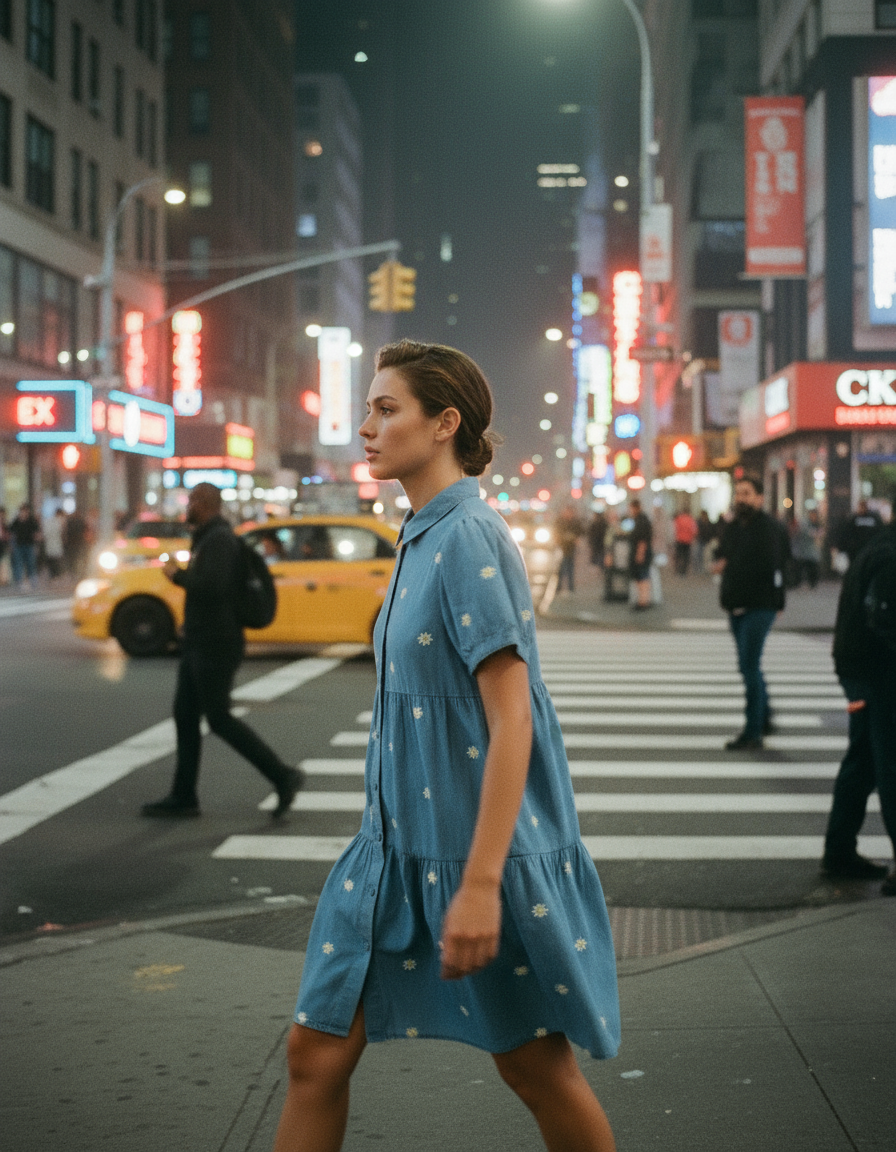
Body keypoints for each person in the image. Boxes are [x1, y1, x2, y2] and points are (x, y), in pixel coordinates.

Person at [273, 341, 619, 1152]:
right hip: (390, 856)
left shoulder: (468, 536)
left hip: (465, 860)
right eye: (368, 408)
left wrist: (480, 886)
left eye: (386, 409)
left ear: (444, 423)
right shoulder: (420, 533)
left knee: (536, 1068)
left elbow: (513, 718)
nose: (366, 427)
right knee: (313, 1054)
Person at [141, 483, 303, 819]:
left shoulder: (218, 540)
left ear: (203, 503)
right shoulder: (210, 537)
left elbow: (212, 587)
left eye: (191, 501)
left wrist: (177, 575)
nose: (187, 507)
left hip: (215, 644)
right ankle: (184, 795)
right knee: (185, 716)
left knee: (218, 718)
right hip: (201, 639)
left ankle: (282, 775)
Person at [821, 511, 896, 893]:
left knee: (865, 761)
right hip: (873, 675)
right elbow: (884, 620)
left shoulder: (880, 546)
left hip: (861, 668)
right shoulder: (888, 553)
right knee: (884, 764)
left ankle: (838, 852)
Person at [713, 475, 791, 751]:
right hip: (736, 605)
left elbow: (779, 566)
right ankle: (764, 715)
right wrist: (719, 564)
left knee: (749, 666)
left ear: (759, 497)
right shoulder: (733, 526)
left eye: (747, 493)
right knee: (749, 666)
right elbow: (722, 556)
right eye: (738, 493)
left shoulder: (769, 528)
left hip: (760, 606)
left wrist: (778, 602)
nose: (741, 498)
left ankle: (753, 731)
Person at [834, 499, 883, 565]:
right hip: (857, 550)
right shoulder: (854, 519)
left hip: (866, 549)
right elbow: (847, 534)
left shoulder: (872, 518)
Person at [9, 503, 41, 590]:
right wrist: (11, 545)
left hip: (29, 545)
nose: (24, 513)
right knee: (18, 564)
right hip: (19, 546)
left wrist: (37, 545)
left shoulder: (32, 521)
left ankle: (33, 581)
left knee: (31, 564)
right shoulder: (16, 522)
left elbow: (37, 534)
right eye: (22, 512)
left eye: (25, 511)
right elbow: (12, 534)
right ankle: (19, 581)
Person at [628, 497, 653, 609]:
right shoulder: (640, 519)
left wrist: (640, 554)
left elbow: (642, 540)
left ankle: (643, 601)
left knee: (642, 577)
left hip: (641, 553)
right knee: (641, 577)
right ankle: (642, 600)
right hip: (641, 552)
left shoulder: (641, 521)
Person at [789, 510, 823, 588]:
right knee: (801, 568)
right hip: (803, 551)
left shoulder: (816, 523)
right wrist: (816, 533)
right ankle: (797, 583)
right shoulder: (805, 523)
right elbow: (808, 533)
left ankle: (812, 583)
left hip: (812, 552)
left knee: (812, 568)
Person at [555, 506, 583, 594]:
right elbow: (556, 531)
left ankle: (570, 587)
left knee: (570, 567)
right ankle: (558, 587)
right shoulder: (560, 521)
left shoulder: (575, 522)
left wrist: (576, 539)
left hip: (571, 547)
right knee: (561, 568)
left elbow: (580, 531)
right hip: (562, 547)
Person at [63, 508, 90, 578]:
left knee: (73, 558)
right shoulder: (80, 521)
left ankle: (74, 571)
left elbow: (66, 531)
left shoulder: (71, 521)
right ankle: (78, 572)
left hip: (74, 542)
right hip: (78, 542)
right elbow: (85, 531)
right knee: (78, 557)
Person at [42, 507, 67, 580]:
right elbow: (61, 531)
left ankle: (54, 575)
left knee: (53, 560)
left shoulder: (49, 521)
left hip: (52, 544)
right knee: (56, 560)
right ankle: (56, 575)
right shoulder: (59, 521)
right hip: (55, 544)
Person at [672, 507, 698, 575]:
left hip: (679, 539)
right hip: (688, 541)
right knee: (686, 556)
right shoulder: (691, 520)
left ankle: (677, 569)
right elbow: (694, 530)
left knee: (678, 555)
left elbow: (674, 528)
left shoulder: (679, 518)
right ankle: (683, 571)